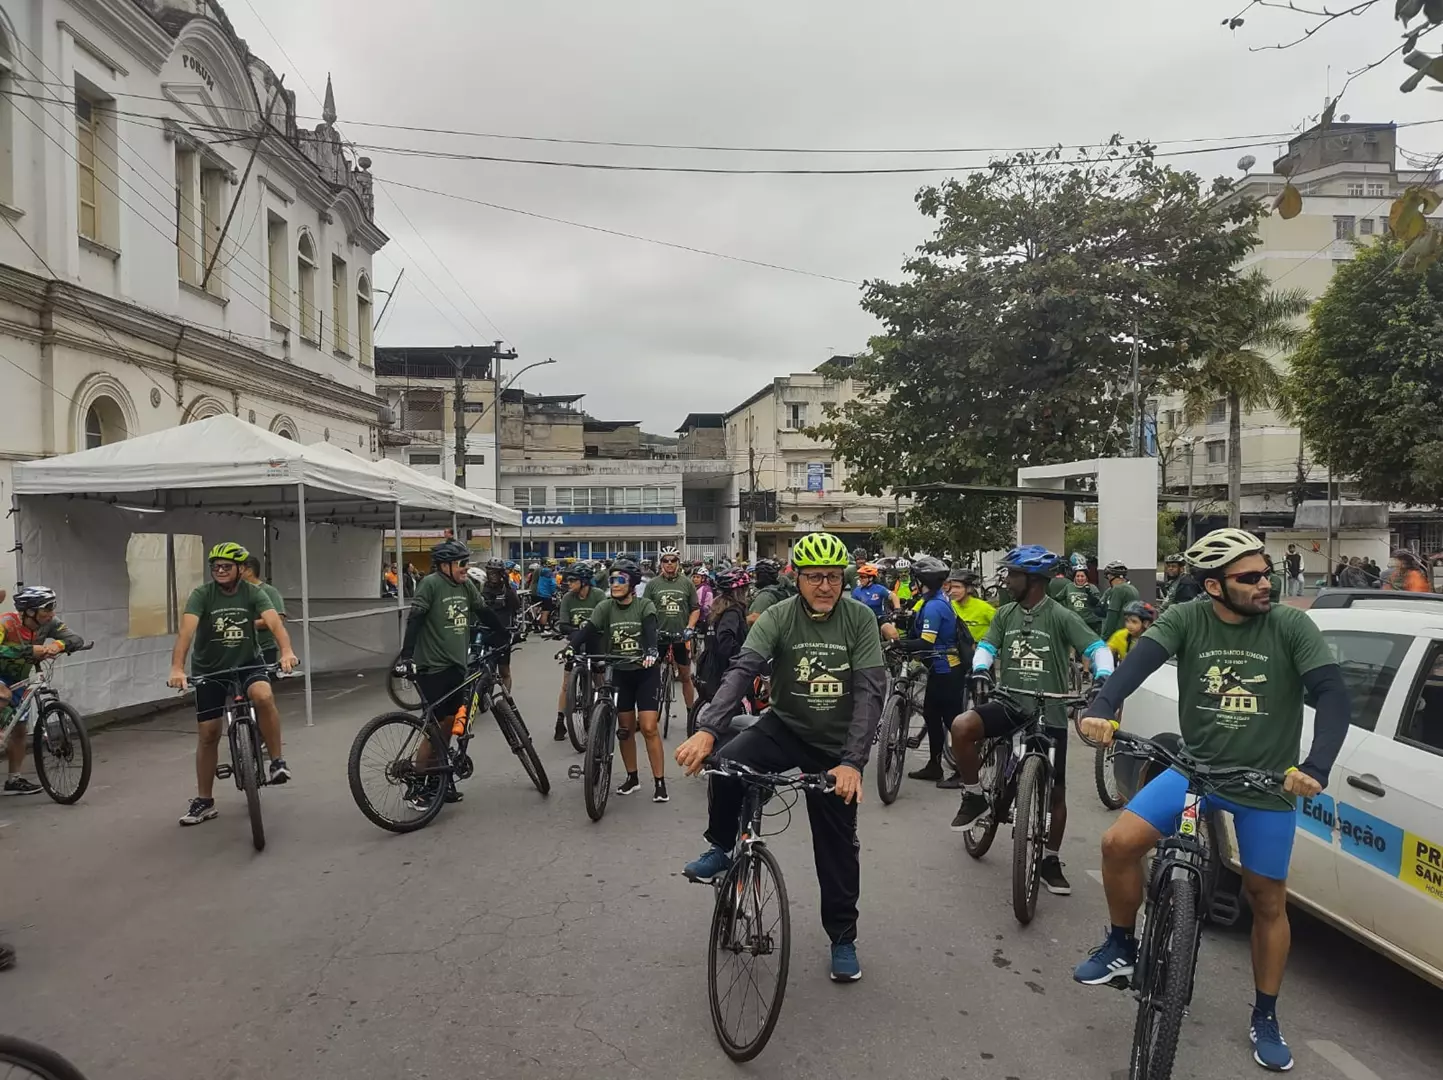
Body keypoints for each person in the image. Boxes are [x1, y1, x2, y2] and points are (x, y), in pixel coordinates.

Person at [1075, 528, 1350, 1073]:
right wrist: (1101, 705)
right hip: (1195, 773)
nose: (1264, 583)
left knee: (1267, 900)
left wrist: (1315, 767)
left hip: (1265, 783)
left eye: (1265, 571)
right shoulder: (1187, 618)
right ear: (1214, 587)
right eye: (1250, 577)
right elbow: (1134, 667)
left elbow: (1332, 694)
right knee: (1117, 843)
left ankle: (1266, 1013)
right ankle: (1122, 945)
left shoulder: (1290, 625)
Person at [676, 531, 885, 983]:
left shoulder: (859, 618)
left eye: (833, 577)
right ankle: (720, 845)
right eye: (815, 577)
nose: (825, 586)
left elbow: (870, 691)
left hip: (836, 747)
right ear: (798, 578)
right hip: (785, 727)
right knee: (729, 766)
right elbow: (742, 670)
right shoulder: (778, 615)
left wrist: (853, 762)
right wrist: (708, 730)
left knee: (837, 850)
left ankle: (843, 938)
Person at [948, 544, 1115, 895]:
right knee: (962, 726)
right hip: (1009, 703)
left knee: (1056, 792)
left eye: (1012, 575)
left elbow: (1097, 648)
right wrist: (980, 668)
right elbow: (988, 647)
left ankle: (1050, 858)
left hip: (1050, 711)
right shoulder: (1005, 613)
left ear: (1033, 580)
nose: (1007, 581)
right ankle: (975, 794)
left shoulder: (1059, 615)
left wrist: (1101, 677)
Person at [167, 543, 298, 826]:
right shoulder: (202, 595)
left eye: (227, 566)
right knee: (209, 733)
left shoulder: (254, 592)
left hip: (247, 662)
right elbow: (187, 632)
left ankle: (276, 761)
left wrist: (286, 651)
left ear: (241, 569)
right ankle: (204, 801)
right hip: (210, 668)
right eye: (216, 567)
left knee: (263, 696)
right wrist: (177, 667)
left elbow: (275, 624)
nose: (221, 571)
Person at [394, 540, 509, 810]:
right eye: (461, 563)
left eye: (467, 562)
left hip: (457, 666)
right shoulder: (431, 584)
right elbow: (415, 619)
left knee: (447, 726)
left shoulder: (465, 585)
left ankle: (439, 780)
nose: (466, 568)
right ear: (445, 566)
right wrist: (407, 656)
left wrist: (504, 632)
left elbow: (482, 611)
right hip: (432, 667)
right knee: (435, 729)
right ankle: (417, 785)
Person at [569, 557, 667, 802]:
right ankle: (632, 778)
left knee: (648, 727)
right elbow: (588, 629)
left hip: (644, 671)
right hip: (620, 672)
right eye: (612, 580)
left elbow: (650, 632)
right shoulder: (605, 607)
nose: (614, 584)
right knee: (624, 729)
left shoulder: (645, 606)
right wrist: (571, 647)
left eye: (620, 580)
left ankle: (659, 781)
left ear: (631, 584)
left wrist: (652, 652)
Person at [0, 586, 85, 796]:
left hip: (18, 679)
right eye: (47, 608)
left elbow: (76, 639)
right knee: (3, 696)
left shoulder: (49, 624)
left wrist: (59, 644)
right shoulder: (6, 622)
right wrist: (29, 650)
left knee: (19, 731)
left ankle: (14, 780)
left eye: (52, 606)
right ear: (29, 611)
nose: (52, 612)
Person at [898, 556, 970, 786]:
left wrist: (898, 644)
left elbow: (927, 642)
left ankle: (963, 772)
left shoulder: (935, 606)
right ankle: (934, 765)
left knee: (952, 722)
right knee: (931, 716)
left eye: (915, 580)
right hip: (941, 670)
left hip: (947, 671)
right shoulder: (937, 600)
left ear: (922, 581)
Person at [648, 545, 702, 717]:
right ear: (661, 563)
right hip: (659, 636)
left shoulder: (687, 583)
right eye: (666, 560)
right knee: (651, 677)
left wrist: (690, 627)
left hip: (681, 636)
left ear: (678, 563)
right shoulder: (652, 584)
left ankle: (690, 713)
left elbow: (695, 608)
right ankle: (648, 712)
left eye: (673, 560)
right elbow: (645, 610)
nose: (669, 564)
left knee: (686, 676)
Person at [553, 563, 603, 741]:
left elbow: (604, 619)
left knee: (599, 678)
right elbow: (563, 624)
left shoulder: (598, 596)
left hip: (595, 641)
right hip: (575, 641)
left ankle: (601, 709)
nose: (568, 583)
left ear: (584, 582)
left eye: (573, 580)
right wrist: (577, 632)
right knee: (566, 683)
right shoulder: (568, 598)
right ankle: (560, 721)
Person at [694, 566, 752, 703]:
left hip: (713, 666)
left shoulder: (718, 607)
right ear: (738, 591)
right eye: (745, 589)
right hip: (726, 668)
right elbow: (725, 637)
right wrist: (742, 655)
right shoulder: (732, 611)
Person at [479, 557, 521, 692]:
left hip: (502, 633)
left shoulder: (507, 589)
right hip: (485, 630)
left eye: (496, 573)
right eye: (490, 572)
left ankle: (505, 699)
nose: (493, 576)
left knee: (504, 671)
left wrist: (508, 585)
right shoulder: (483, 587)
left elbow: (516, 605)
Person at [240, 557, 287, 670]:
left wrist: (247, 624)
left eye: (240, 568)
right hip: (240, 652)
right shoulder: (236, 593)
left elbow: (278, 619)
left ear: (249, 571)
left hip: (264, 650)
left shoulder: (269, 592)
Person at [944, 568, 996, 647]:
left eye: (957, 587)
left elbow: (1002, 627)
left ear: (969, 588)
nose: (953, 591)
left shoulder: (984, 608)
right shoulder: (948, 606)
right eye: (952, 587)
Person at [1099, 561, 1138, 642]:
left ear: (1110, 576)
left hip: (1118, 635)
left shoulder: (1117, 590)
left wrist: (1104, 638)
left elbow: (1112, 616)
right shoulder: (1133, 589)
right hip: (1131, 633)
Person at [747, 558, 793, 625]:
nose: (754, 577)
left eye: (756, 574)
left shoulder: (765, 596)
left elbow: (755, 618)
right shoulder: (777, 590)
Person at [1070, 567, 1105, 633]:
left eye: (1082, 576)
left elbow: (1096, 603)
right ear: (1074, 577)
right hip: (1075, 621)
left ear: (1086, 577)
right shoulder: (1069, 587)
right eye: (1077, 576)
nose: (1080, 578)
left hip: (1090, 622)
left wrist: (1088, 592)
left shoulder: (1092, 588)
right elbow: (1059, 598)